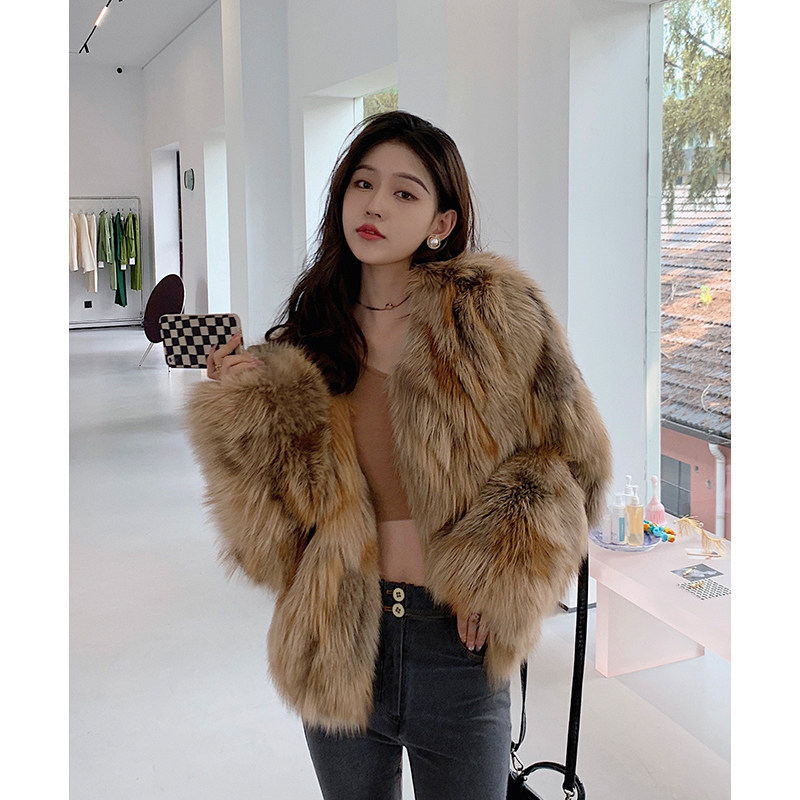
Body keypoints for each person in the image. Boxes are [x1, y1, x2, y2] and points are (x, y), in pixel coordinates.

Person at [185, 110, 612, 800]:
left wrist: (499, 575)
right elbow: (269, 545)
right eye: (363, 183)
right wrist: (245, 415)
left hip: (457, 647)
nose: (376, 204)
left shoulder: (495, 321)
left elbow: (574, 464)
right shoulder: (305, 345)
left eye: (404, 192)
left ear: (442, 221)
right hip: (338, 639)